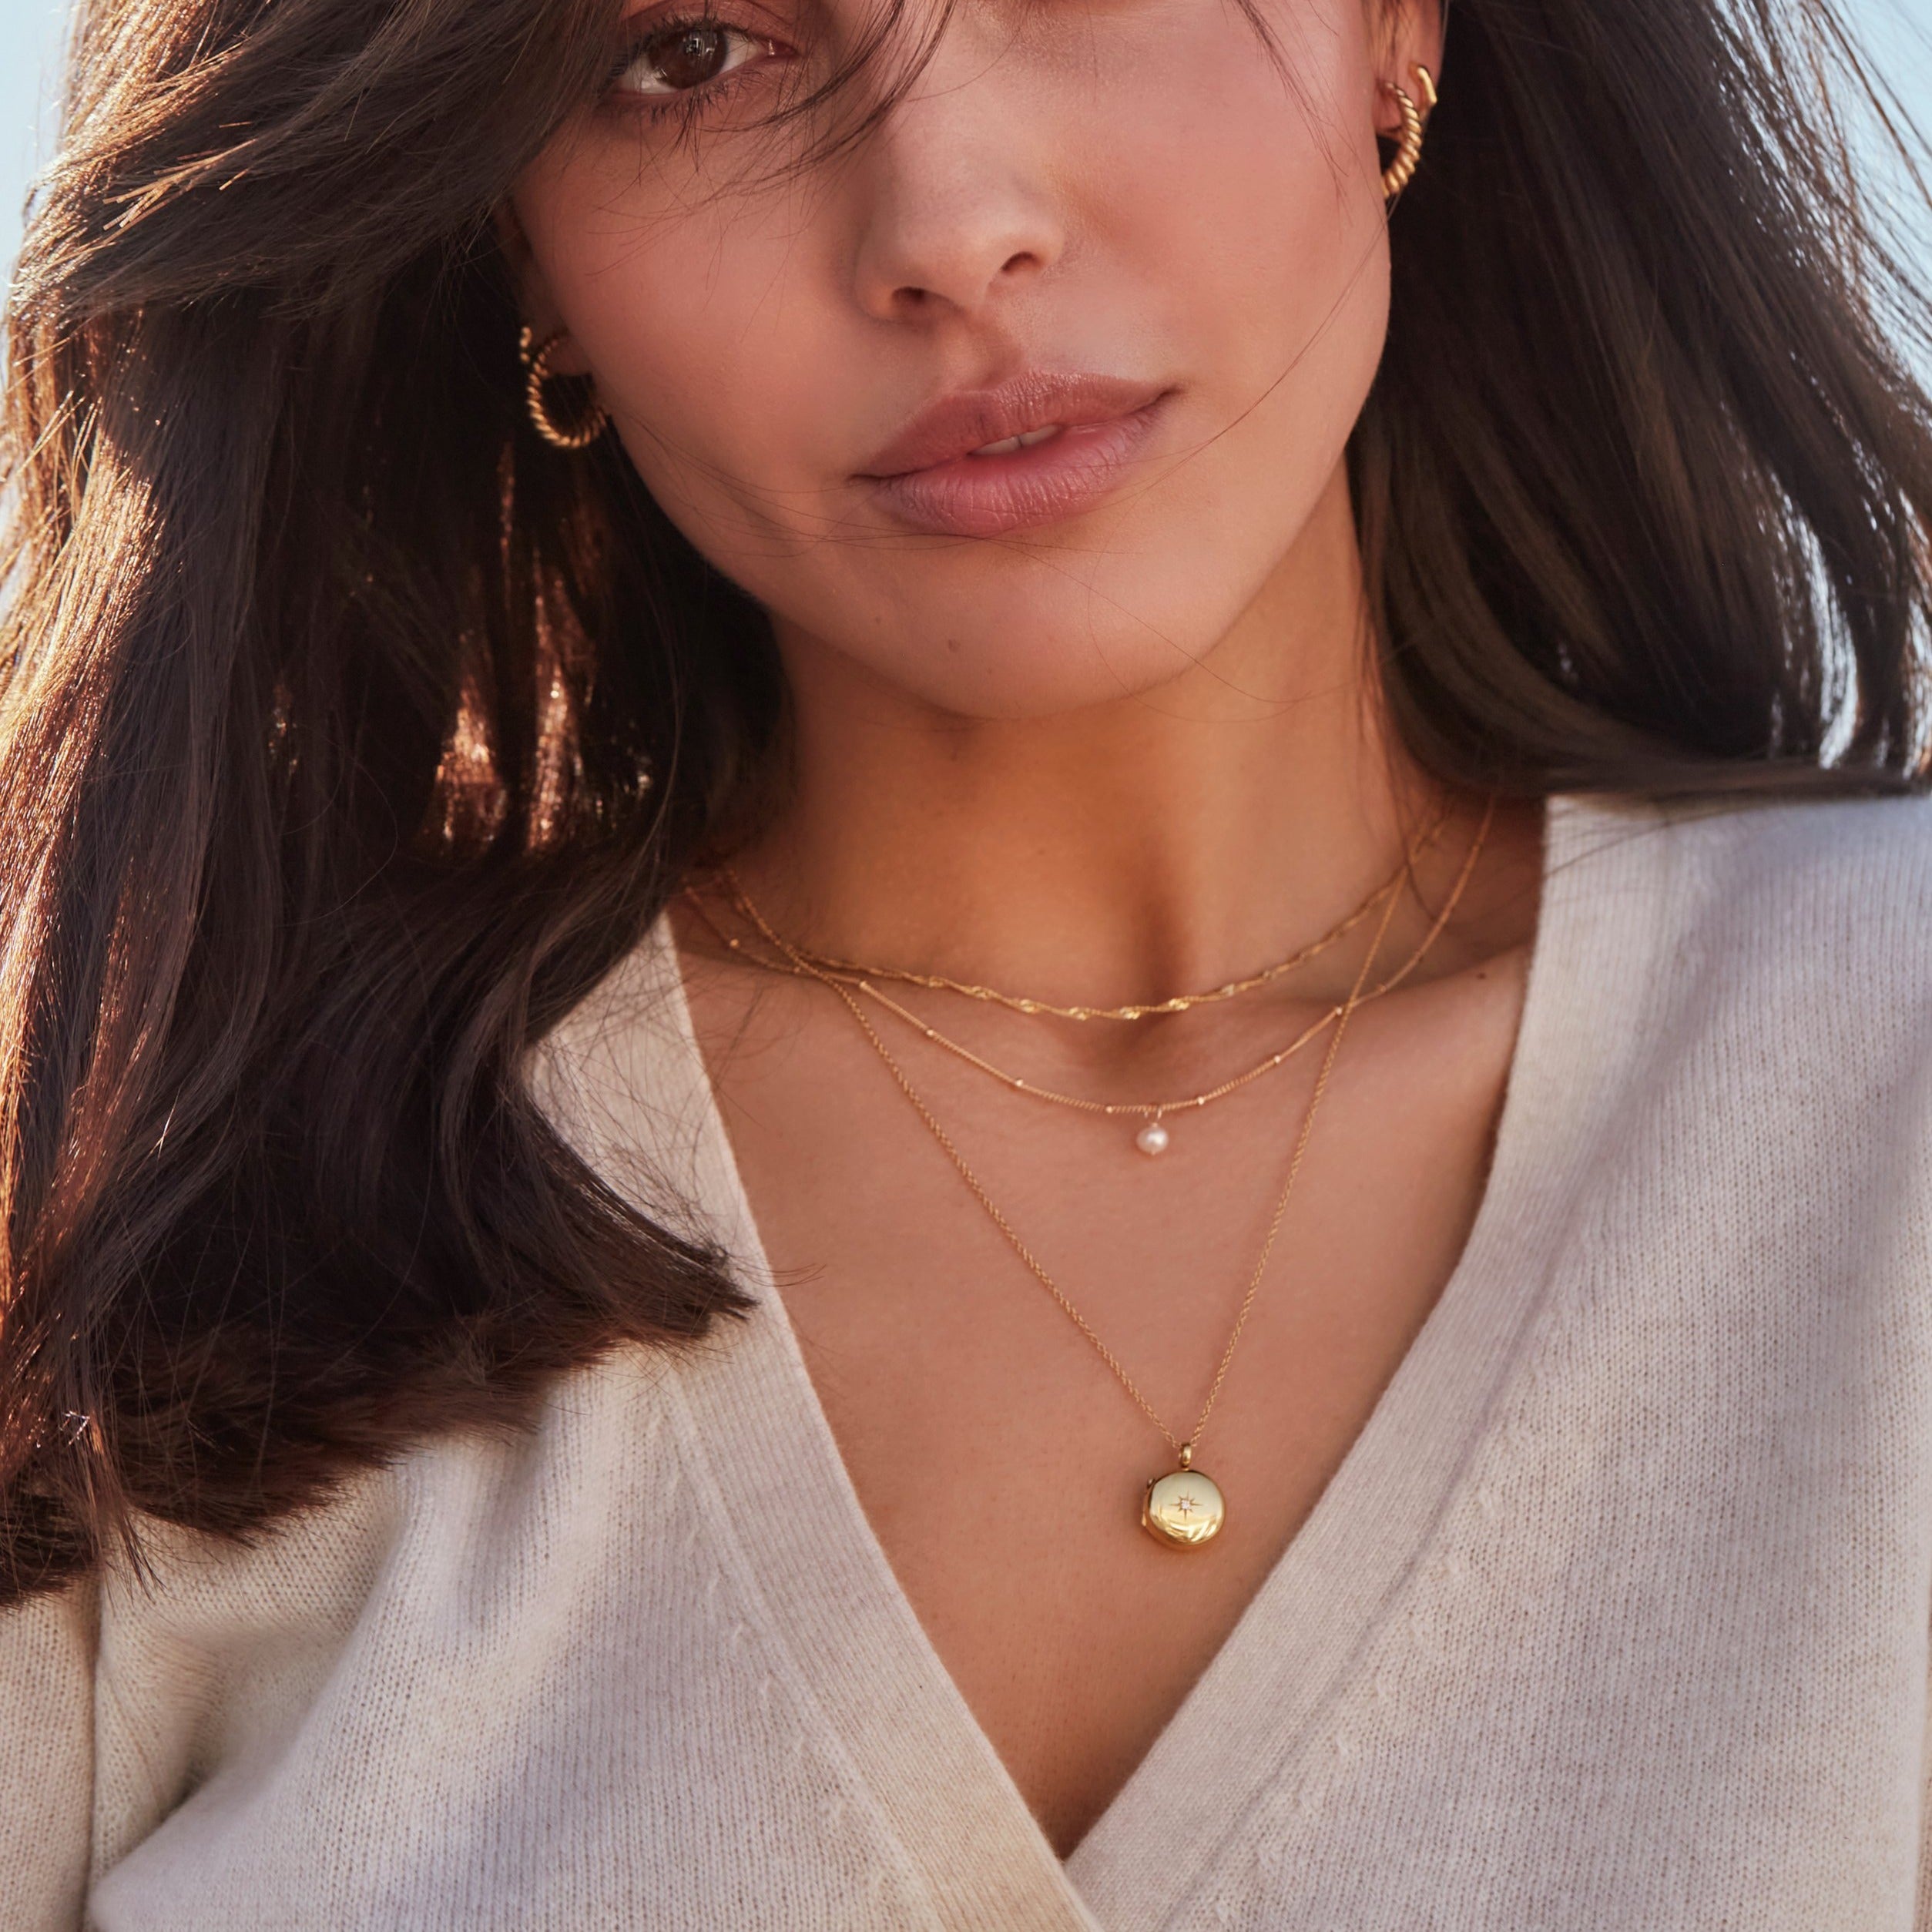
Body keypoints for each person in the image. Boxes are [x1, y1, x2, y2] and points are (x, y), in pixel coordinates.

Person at [2, 0, 1930, 1919]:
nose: (950, 221)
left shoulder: (1885, 1074)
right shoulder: (137, 1263)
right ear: (521, 236)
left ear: (1398, 33)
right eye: (688, 54)